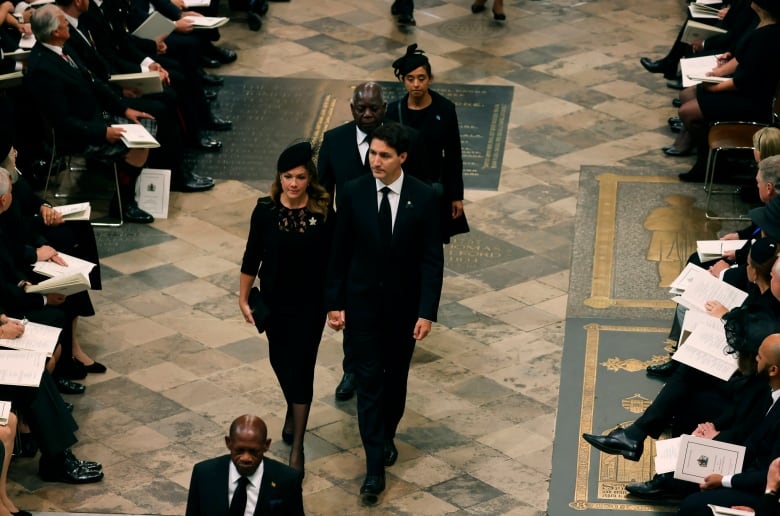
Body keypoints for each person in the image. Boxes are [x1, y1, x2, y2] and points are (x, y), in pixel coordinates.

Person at [324, 122, 444, 506]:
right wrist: (335, 301)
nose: (375, 161)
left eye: (384, 155)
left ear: (402, 158)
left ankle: (386, 436)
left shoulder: (424, 197)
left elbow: (431, 260)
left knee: (394, 383)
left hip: (404, 311)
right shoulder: (354, 192)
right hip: (362, 309)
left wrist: (426, 311)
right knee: (369, 384)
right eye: (373, 153)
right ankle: (374, 465)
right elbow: (339, 252)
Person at [318, 81, 425, 403]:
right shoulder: (334, 141)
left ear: (385, 108)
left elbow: (419, 187)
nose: (367, 114)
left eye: (374, 108)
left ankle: (385, 360)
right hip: (352, 241)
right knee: (353, 305)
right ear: (352, 109)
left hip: (393, 237)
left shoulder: (405, 141)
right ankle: (353, 368)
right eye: (361, 108)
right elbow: (323, 193)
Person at [239, 141, 331, 473]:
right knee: (280, 361)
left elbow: (332, 264)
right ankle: (293, 409)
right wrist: (242, 297)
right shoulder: (264, 211)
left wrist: (336, 305)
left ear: (310, 179)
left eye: (301, 177)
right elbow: (252, 257)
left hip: (310, 306)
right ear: (280, 177)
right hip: (275, 303)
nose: (293, 183)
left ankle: (298, 447)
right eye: (288, 176)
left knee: (303, 366)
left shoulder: (322, 213)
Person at [26, 4, 155, 223]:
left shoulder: (63, 48)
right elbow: (62, 122)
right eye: (63, 21)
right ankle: (123, 204)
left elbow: (93, 83)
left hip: (93, 116)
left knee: (146, 123)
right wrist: (103, 132)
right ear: (55, 31)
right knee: (139, 145)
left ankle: (126, 185)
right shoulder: (43, 69)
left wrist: (124, 109)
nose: (68, 23)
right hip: (76, 134)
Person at [666, 0, 780, 180]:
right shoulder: (761, 23)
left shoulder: (769, 35)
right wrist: (721, 67)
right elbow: (743, 57)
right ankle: (706, 155)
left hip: (753, 100)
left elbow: (746, 80)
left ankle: (713, 164)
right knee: (686, 94)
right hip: (744, 88)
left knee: (687, 112)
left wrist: (715, 87)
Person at [387, 44, 468, 244]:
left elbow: (453, 154)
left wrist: (456, 196)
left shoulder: (445, 109)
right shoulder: (392, 112)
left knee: (432, 243)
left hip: (433, 186)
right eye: (410, 79)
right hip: (403, 187)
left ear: (429, 79)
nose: (416, 84)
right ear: (403, 81)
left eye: (421, 79)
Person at [185, 414, 304, 516]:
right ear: (228, 443)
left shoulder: (287, 480)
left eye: (253, 451)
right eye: (239, 450)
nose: (245, 458)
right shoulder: (204, 474)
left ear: (266, 445)